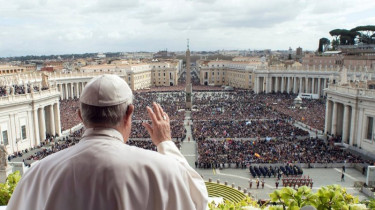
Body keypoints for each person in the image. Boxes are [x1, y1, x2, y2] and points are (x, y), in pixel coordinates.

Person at [8, 74, 208, 210]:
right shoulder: (163, 169)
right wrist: (166, 143)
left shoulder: (39, 173)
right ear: (129, 114)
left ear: (80, 116)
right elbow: (199, 201)